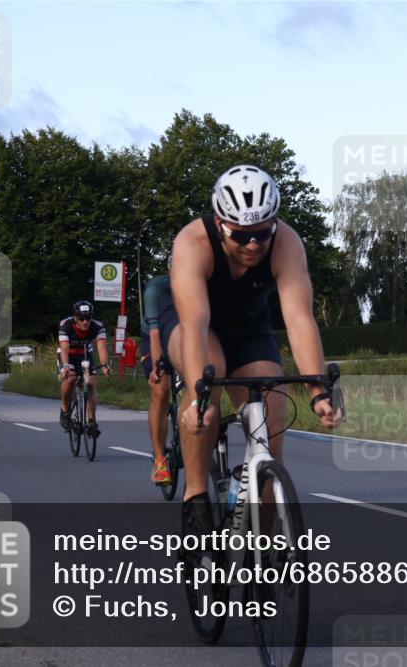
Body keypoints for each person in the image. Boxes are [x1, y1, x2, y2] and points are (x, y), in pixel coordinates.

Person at [159, 164, 342, 541]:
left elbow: (299, 318)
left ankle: (265, 542)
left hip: (248, 328)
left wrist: (318, 391)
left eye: (262, 232)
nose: (254, 244)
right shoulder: (193, 243)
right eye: (242, 235)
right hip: (195, 325)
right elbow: (194, 324)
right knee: (206, 399)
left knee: (272, 419)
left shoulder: (287, 242)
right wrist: (198, 397)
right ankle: (195, 495)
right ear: (221, 222)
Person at [140, 272, 174, 486]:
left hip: (185, 337)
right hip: (155, 336)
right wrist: (157, 365)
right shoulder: (157, 289)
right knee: (161, 391)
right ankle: (160, 460)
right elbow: (154, 334)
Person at [57, 301, 111, 434]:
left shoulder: (97, 326)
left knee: (91, 383)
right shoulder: (66, 325)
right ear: (75, 318)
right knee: (70, 378)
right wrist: (65, 367)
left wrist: (104, 365)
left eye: (88, 318)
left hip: (86, 354)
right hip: (67, 355)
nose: (85, 322)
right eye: (81, 318)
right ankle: (64, 409)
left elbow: (102, 348)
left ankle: (92, 422)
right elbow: (64, 348)